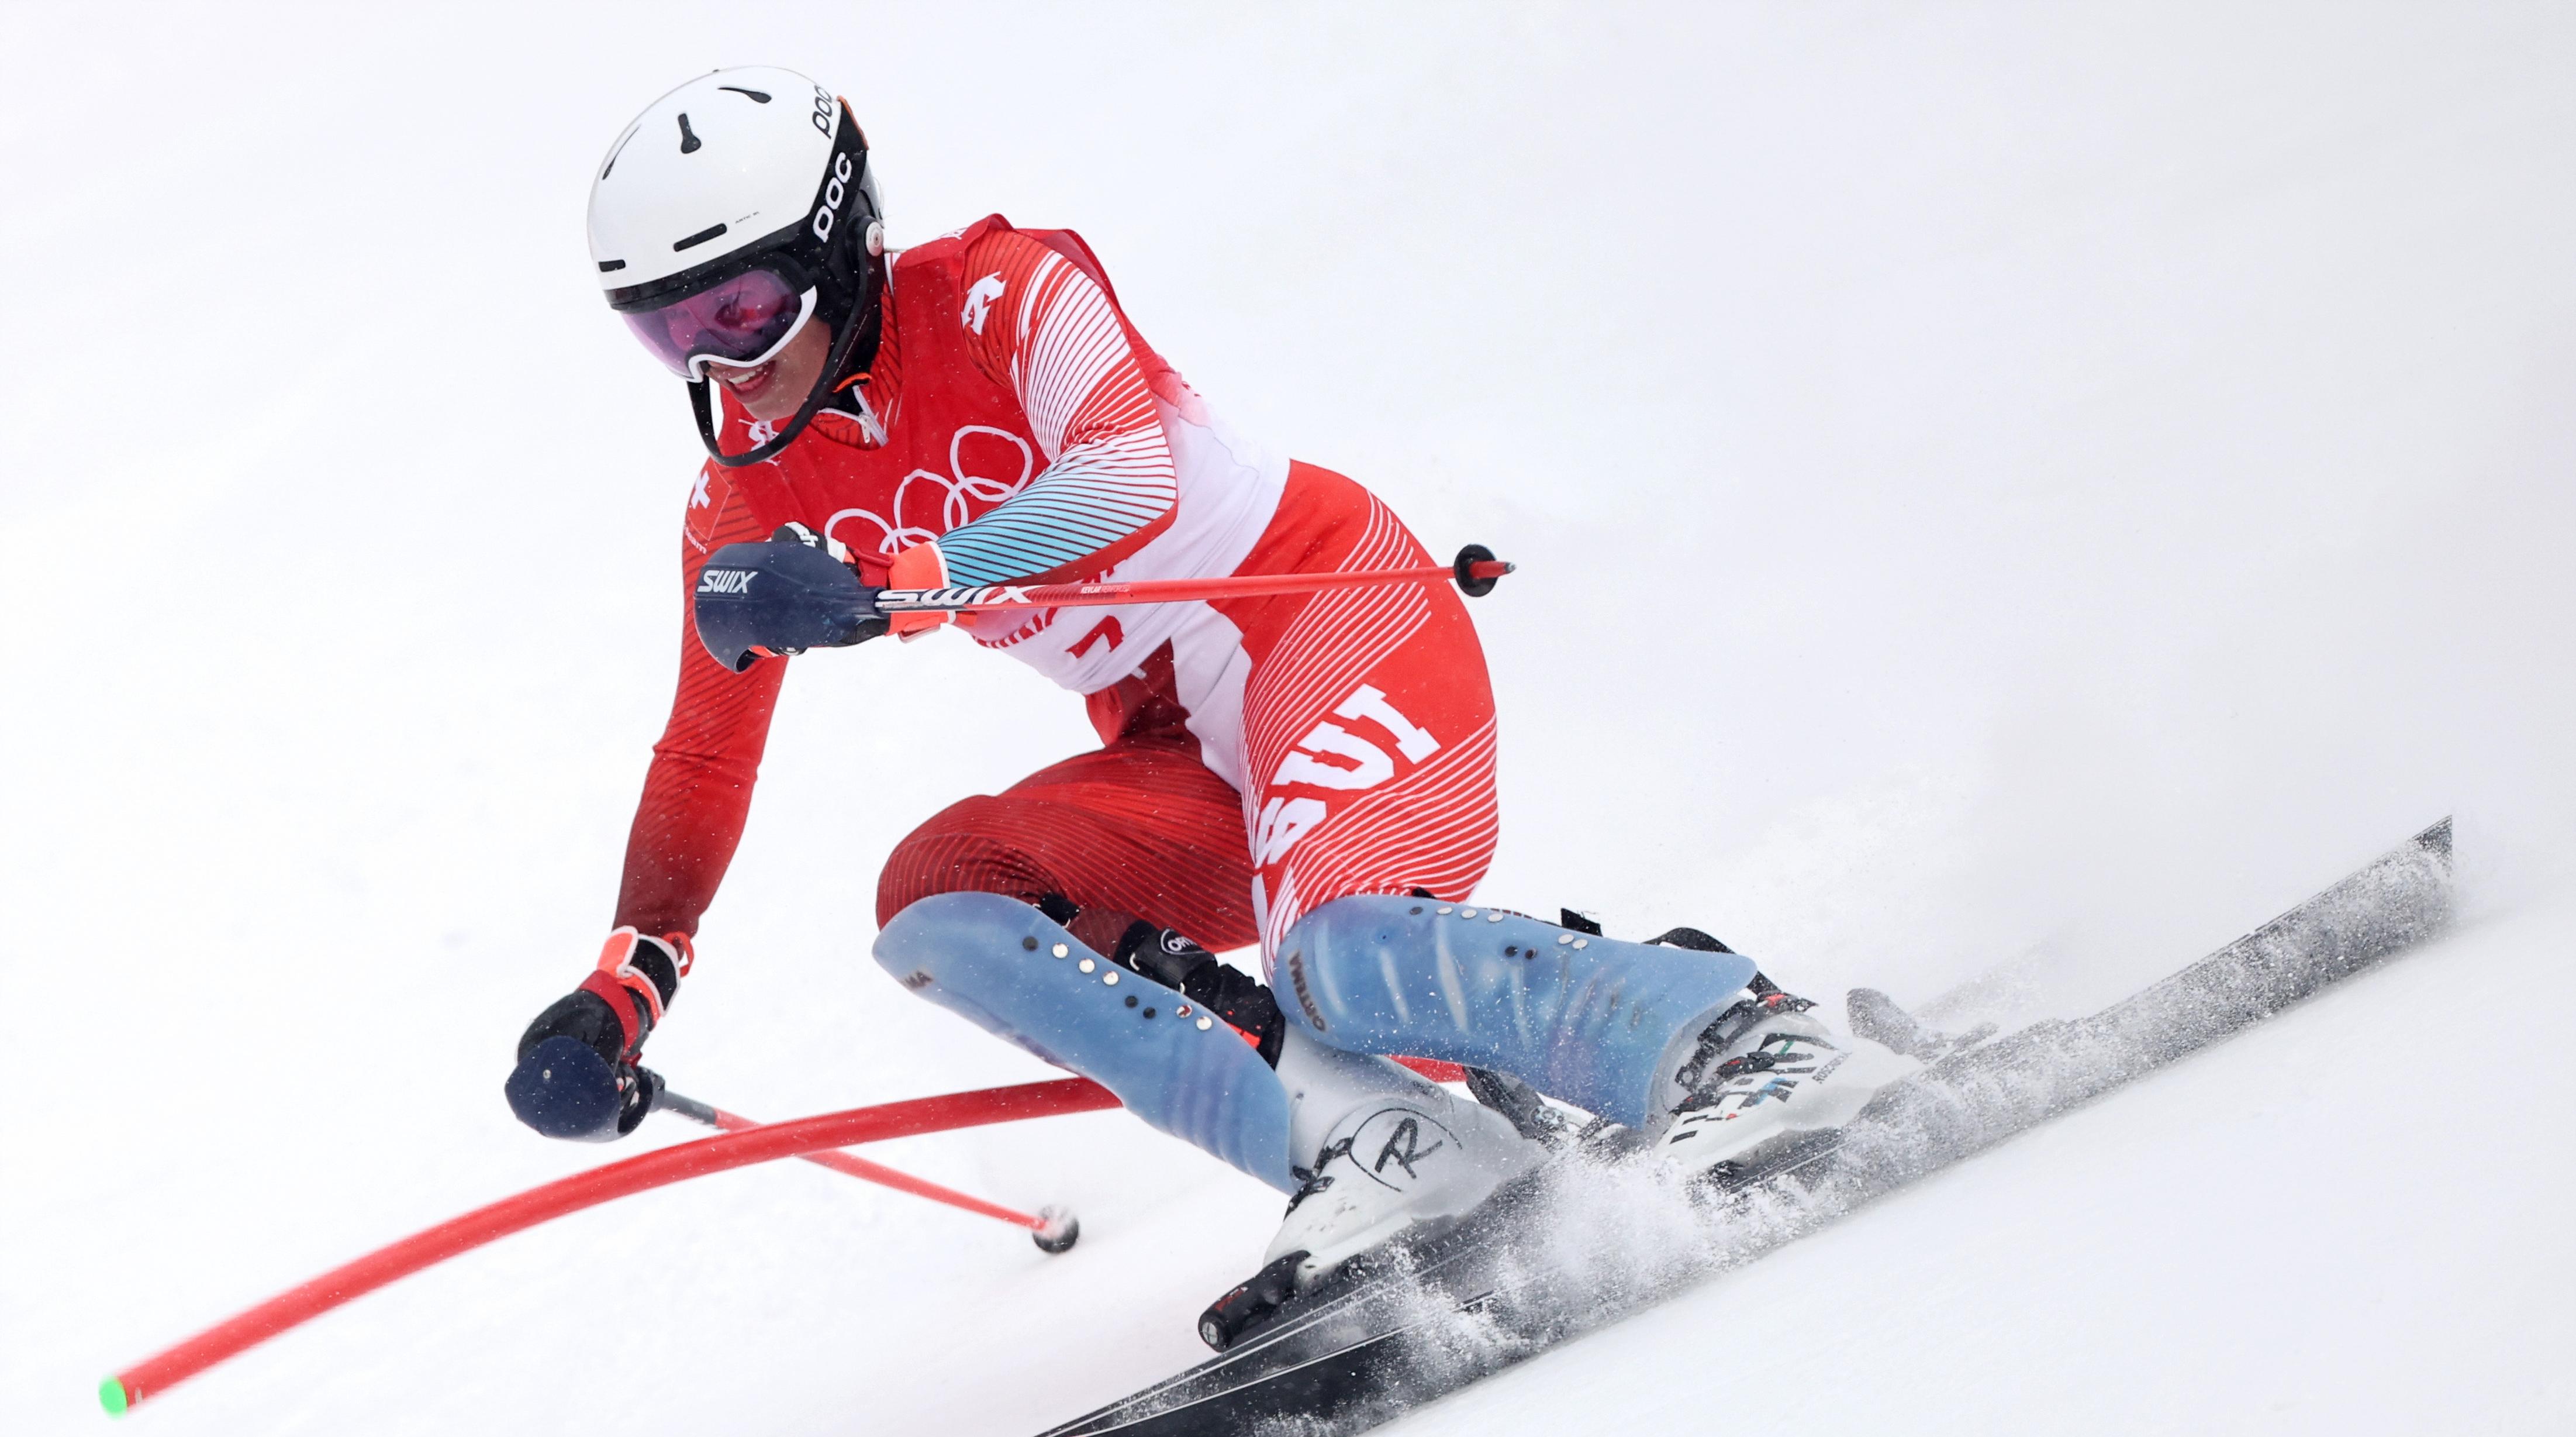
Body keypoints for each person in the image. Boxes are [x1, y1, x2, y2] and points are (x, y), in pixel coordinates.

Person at [507, 67, 1909, 1305]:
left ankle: (1736, 1039)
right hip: (1185, 744)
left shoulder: (1008, 291)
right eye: (665, 333)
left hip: (1327, 617)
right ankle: (1390, 1150)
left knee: (1337, 958)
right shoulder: (742, 498)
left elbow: (1128, 479)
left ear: (837, 251)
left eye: (739, 310)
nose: (717, 368)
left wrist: (898, 585)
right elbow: (702, 760)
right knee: (938, 900)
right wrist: (624, 987)